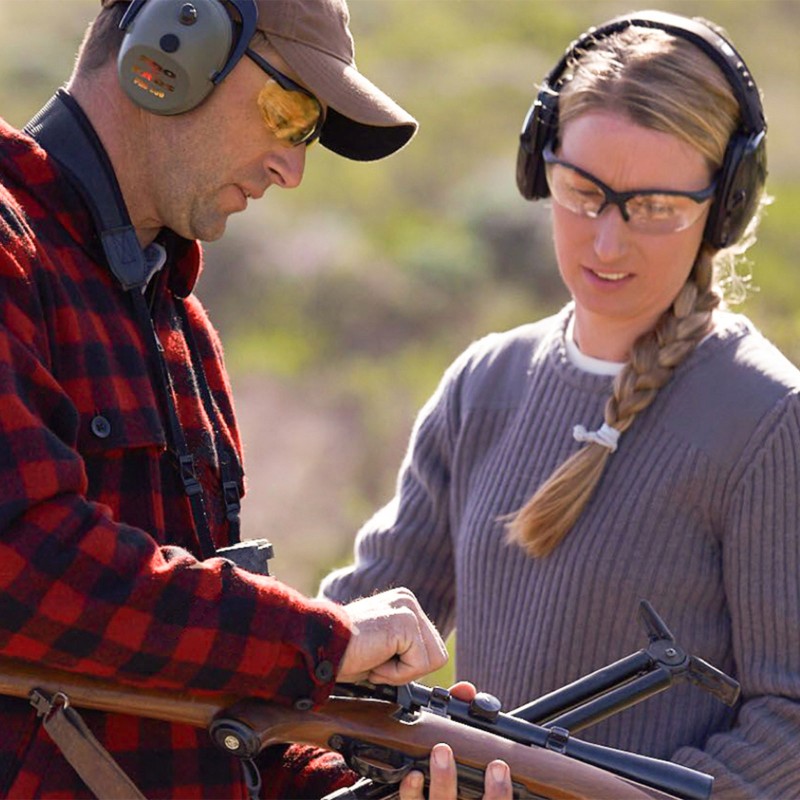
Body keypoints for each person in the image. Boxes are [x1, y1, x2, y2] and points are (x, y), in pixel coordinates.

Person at [322, 9, 800, 799]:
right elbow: (361, 622)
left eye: (653, 208)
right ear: (538, 168)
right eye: (583, 192)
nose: (606, 242)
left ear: (725, 207)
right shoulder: (485, 383)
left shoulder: (765, 420)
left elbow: (790, 719)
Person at [0, 0, 471, 797]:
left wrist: (363, 779)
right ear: (173, 50)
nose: (291, 168)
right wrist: (315, 641)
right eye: (288, 113)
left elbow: (199, 703)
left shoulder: (179, 324)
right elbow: (20, 562)